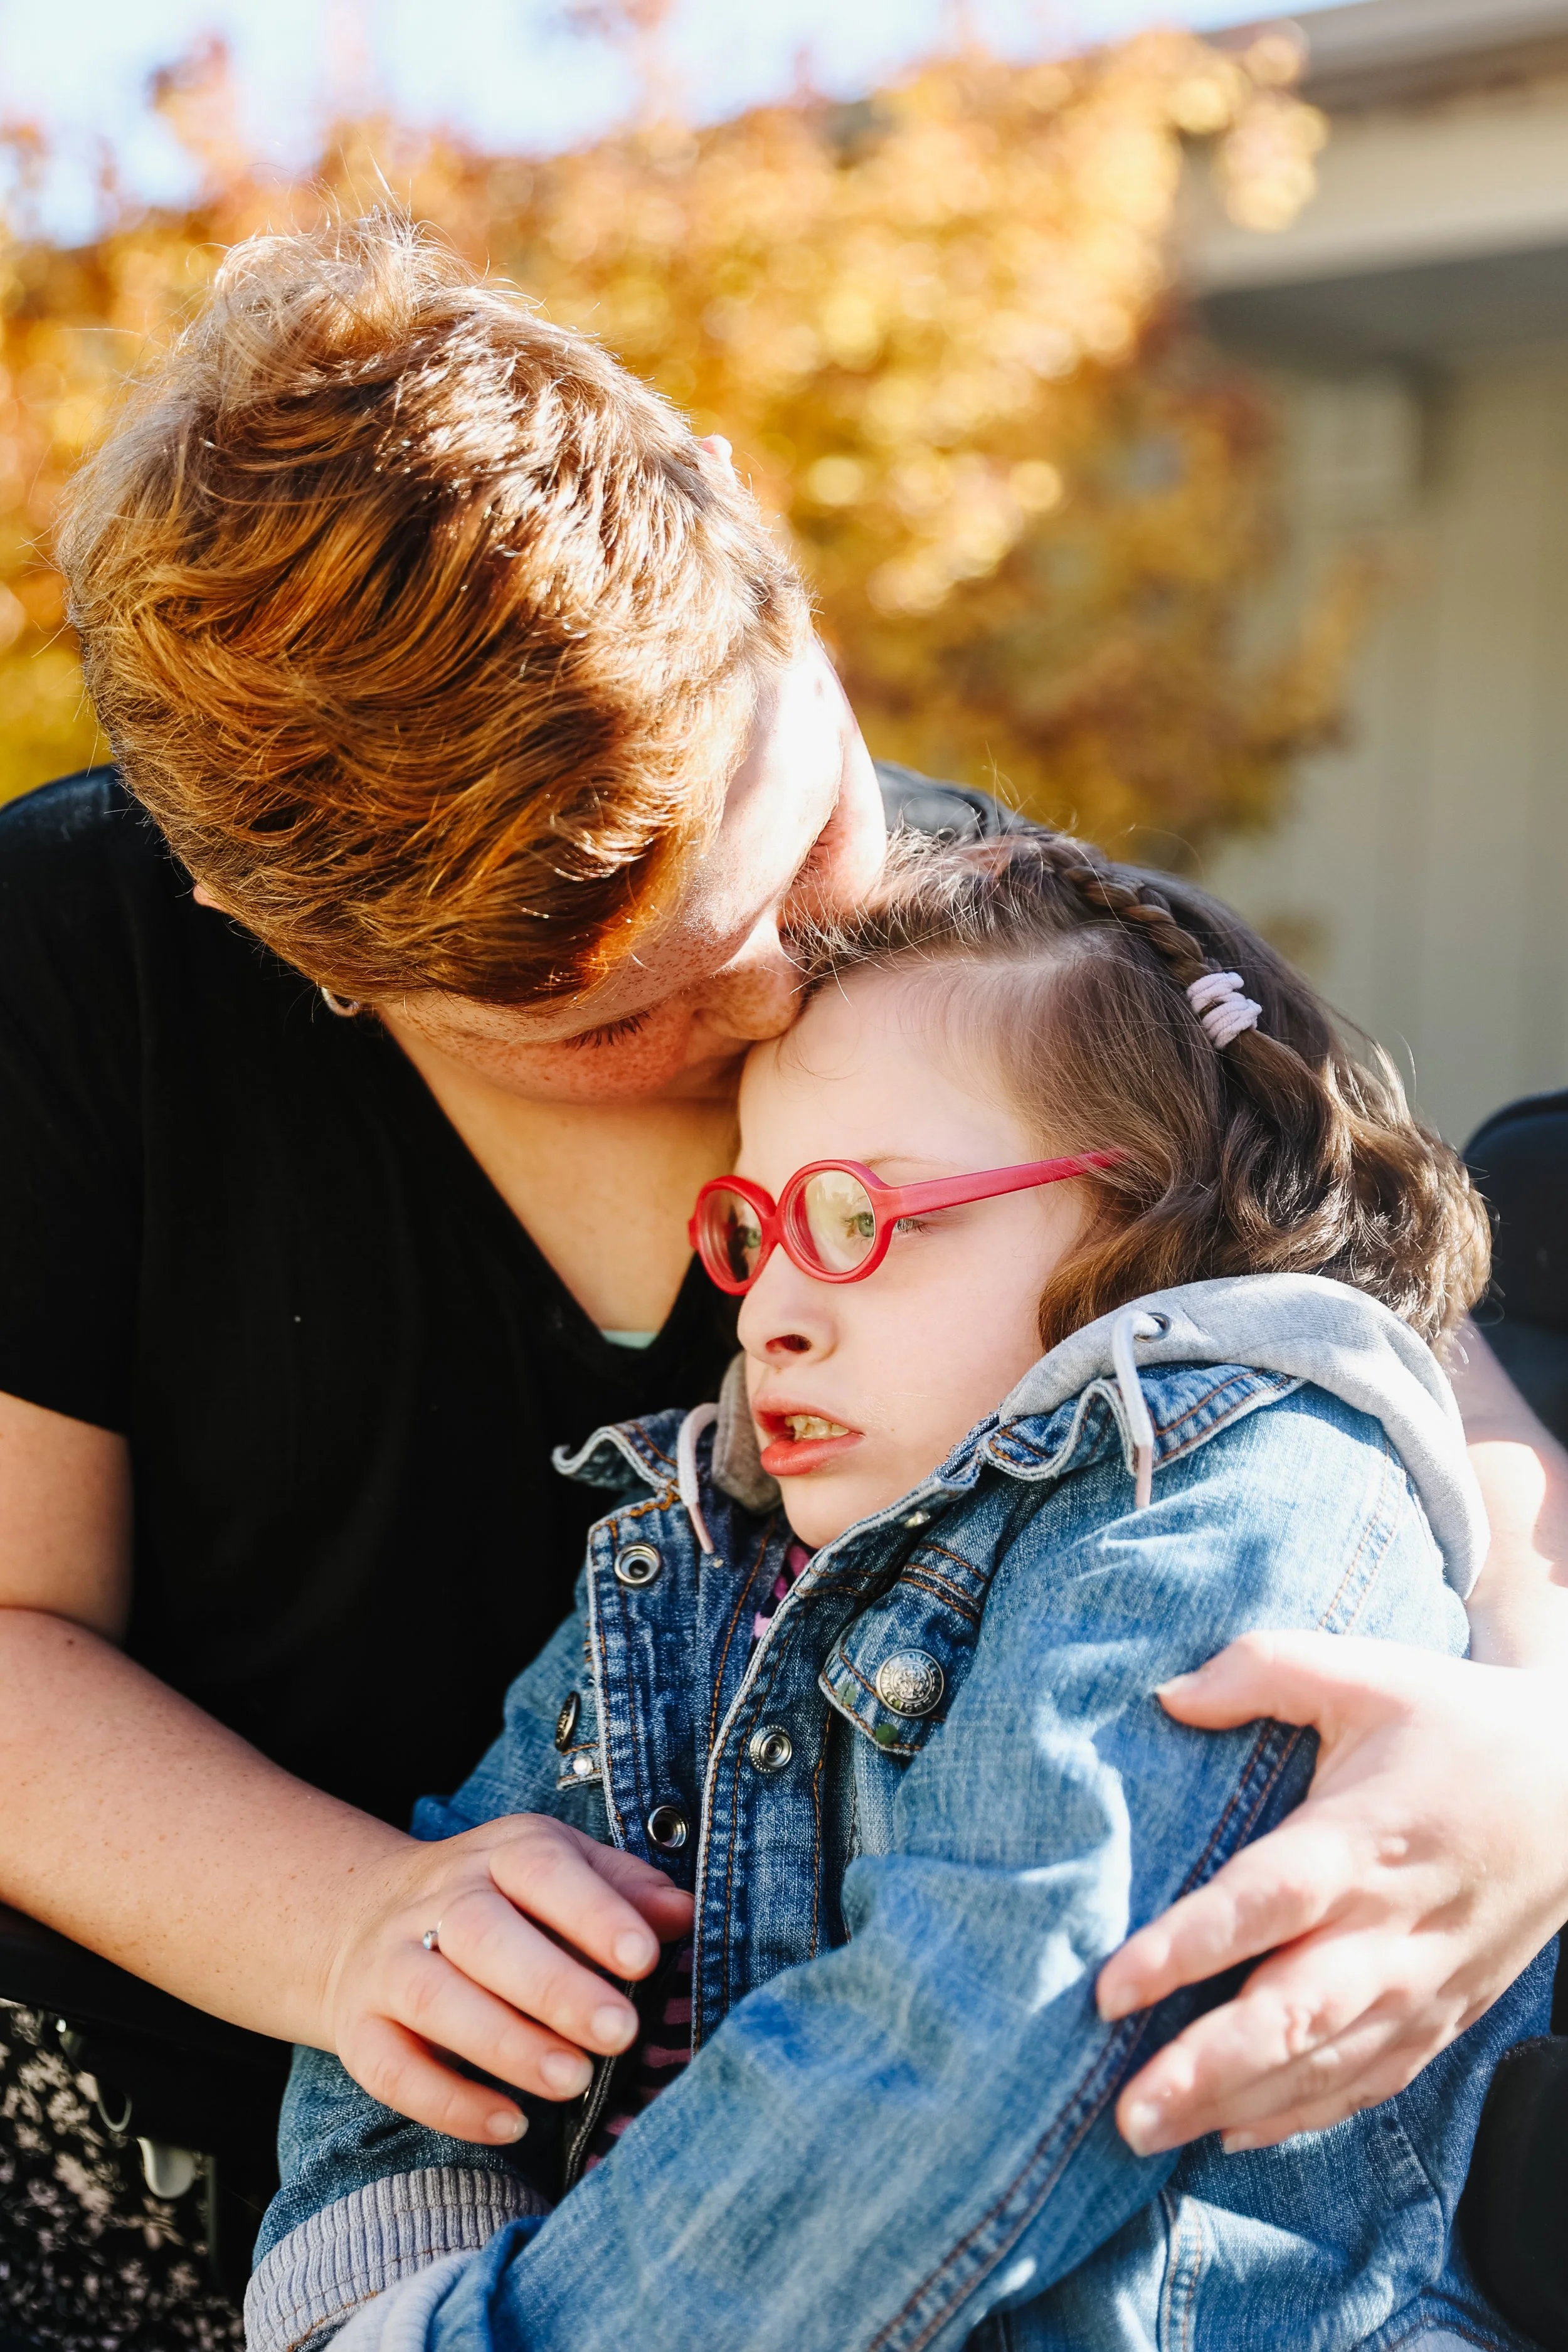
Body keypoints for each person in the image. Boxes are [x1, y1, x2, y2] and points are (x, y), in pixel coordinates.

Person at [1, 207, 1565, 2338]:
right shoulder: (79, 973)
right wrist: (358, 1928)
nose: (773, 1000)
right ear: (299, 956)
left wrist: (1536, 1766)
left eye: (800, 846)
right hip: (213, 2187)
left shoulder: (1046, 973)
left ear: (763, 546)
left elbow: (1425, 1445)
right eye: (599, 1012)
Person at [247, 832, 1551, 2352]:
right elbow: (438, 1957)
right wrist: (385, 2305)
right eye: (753, 1230)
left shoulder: (1237, 1482)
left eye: (859, 1220)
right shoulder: (694, 1552)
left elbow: (995, 2023)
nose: (772, 1314)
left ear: (1151, 1227)